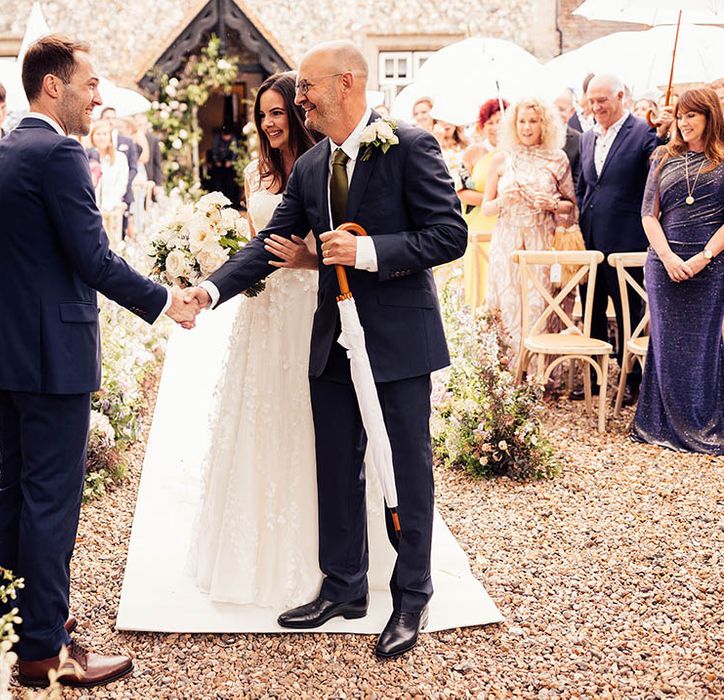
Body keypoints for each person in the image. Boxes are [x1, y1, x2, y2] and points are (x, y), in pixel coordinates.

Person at [186, 40, 467, 659]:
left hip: (397, 339)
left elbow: (450, 235)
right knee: (337, 464)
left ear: (346, 84)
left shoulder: (409, 144)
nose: (299, 96)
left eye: (307, 87)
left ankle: (412, 595)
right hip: (330, 341)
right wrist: (208, 292)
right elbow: (269, 245)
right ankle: (343, 587)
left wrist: (366, 252)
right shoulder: (313, 168)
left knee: (405, 467)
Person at [0, 34, 198, 689]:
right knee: (52, 505)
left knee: (11, 499)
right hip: (52, 358)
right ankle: (45, 652)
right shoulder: (58, 152)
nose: (97, 97)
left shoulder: (5, 150)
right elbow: (92, 257)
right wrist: (167, 299)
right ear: (51, 86)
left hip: (6, 358)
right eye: (89, 85)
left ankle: (19, 625)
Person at [189, 71, 327, 606]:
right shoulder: (254, 173)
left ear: (295, 113)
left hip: (311, 304)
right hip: (265, 308)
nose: (269, 122)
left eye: (277, 112)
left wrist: (309, 259)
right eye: (262, 114)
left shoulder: (323, 166)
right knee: (259, 417)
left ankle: (324, 553)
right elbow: (256, 243)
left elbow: (327, 243)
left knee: (310, 418)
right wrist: (210, 271)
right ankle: (252, 555)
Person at [634, 87, 724, 454]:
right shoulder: (662, 156)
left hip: (711, 264)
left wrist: (703, 257)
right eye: (680, 116)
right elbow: (648, 214)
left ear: (709, 116)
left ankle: (703, 422)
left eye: (691, 116)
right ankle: (659, 423)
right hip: (664, 262)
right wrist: (668, 257)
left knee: (703, 344)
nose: (683, 123)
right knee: (665, 343)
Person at [575, 73, 669, 405]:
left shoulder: (645, 133)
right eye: (591, 101)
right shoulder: (587, 138)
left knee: (630, 310)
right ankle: (595, 376)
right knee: (591, 310)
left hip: (628, 240)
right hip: (590, 241)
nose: (596, 106)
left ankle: (633, 378)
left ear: (620, 96)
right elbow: (584, 187)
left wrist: (665, 134)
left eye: (602, 100)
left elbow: (660, 171)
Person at [482, 97, 576, 370]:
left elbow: (571, 206)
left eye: (533, 121)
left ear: (543, 125)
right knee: (509, 307)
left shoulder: (557, 158)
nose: (526, 127)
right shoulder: (501, 158)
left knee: (538, 307)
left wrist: (552, 204)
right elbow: (486, 207)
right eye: (521, 121)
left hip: (541, 242)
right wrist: (502, 201)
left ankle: (539, 378)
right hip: (507, 243)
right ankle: (508, 378)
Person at [458, 97, 508, 307]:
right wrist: (492, 200)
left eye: (499, 121)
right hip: (478, 222)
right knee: (479, 280)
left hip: (505, 223)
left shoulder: (513, 153)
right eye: (490, 122)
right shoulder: (473, 152)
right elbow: (460, 190)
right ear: (482, 125)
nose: (495, 127)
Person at [87, 118, 129, 245]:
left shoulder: (119, 158)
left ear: (110, 137)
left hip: (112, 209)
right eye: (98, 134)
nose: (101, 137)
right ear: (92, 137)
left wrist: (108, 206)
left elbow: (121, 184)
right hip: (92, 209)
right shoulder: (86, 156)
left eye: (105, 134)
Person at [100, 106, 137, 236]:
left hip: (124, 193)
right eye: (107, 118)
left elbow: (133, 168)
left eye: (113, 118)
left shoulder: (127, 142)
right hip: (101, 199)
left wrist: (123, 187)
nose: (110, 121)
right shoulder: (96, 141)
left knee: (120, 232)